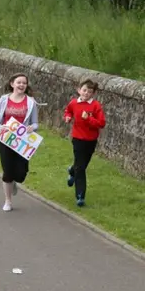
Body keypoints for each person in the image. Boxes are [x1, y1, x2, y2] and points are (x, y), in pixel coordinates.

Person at [0, 73, 39, 212]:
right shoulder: (3, 100)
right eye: (19, 82)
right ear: (12, 84)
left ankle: (14, 181)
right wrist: (1, 128)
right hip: (6, 138)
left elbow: (35, 123)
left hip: (22, 141)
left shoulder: (30, 102)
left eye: (24, 83)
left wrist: (31, 128)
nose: (21, 85)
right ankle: (8, 201)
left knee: (21, 174)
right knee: (7, 171)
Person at [63, 79, 106, 207]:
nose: (86, 93)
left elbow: (101, 123)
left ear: (93, 93)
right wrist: (68, 117)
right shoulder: (74, 103)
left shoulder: (96, 106)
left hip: (91, 140)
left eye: (90, 91)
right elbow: (68, 111)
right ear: (79, 90)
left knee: (82, 165)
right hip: (77, 138)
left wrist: (89, 119)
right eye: (84, 90)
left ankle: (71, 171)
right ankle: (80, 196)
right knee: (81, 168)